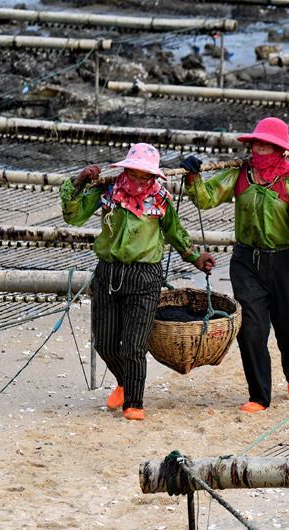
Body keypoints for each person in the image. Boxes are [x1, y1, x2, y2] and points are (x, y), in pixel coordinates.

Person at [61, 143, 216, 421]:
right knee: (106, 344)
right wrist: (80, 182)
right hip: (108, 273)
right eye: (135, 173)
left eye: (147, 175)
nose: (140, 180)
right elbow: (73, 215)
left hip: (145, 276)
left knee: (133, 346)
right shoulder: (107, 191)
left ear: (155, 176)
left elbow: (175, 232)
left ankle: (134, 402)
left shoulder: (160, 200)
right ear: (126, 170)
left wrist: (195, 257)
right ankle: (124, 382)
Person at [181, 117, 289, 413]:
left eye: (268, 144)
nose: (260, 148)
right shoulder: (239, 174)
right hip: (246, 262)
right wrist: (193, 178)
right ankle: (259, 396)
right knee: (251, 329)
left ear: (279, 149)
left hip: (285, 261)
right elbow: (206, 198)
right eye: (257, 143)